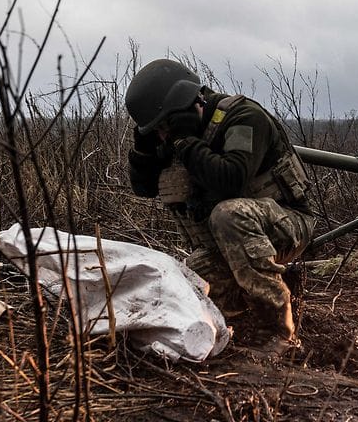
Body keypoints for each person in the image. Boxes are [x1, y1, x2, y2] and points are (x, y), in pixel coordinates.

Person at [125, 59, 315, 355]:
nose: (164, 136)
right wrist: (143, 151)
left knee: (229, 214)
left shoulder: (243, 117)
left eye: (165, 126)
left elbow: (231, 180)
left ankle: (280, 332)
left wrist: (186, 141)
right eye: (157, 131)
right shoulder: (176, 136)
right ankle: (254, 296)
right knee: (187, 286)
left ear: (186, 106)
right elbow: (144, 188)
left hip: (287, 225)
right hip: (229, 248)